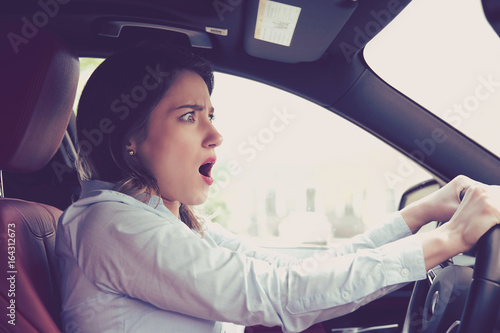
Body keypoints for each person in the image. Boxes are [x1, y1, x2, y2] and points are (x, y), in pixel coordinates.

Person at [55, 42, 500, 333]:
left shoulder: (162, 220)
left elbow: (283, 271)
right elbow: (276, 294)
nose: (215, 135)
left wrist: (419, 216)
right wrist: (451, 239)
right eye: (189, 116)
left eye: (211, 114)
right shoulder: (110, 225)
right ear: (128, 139)